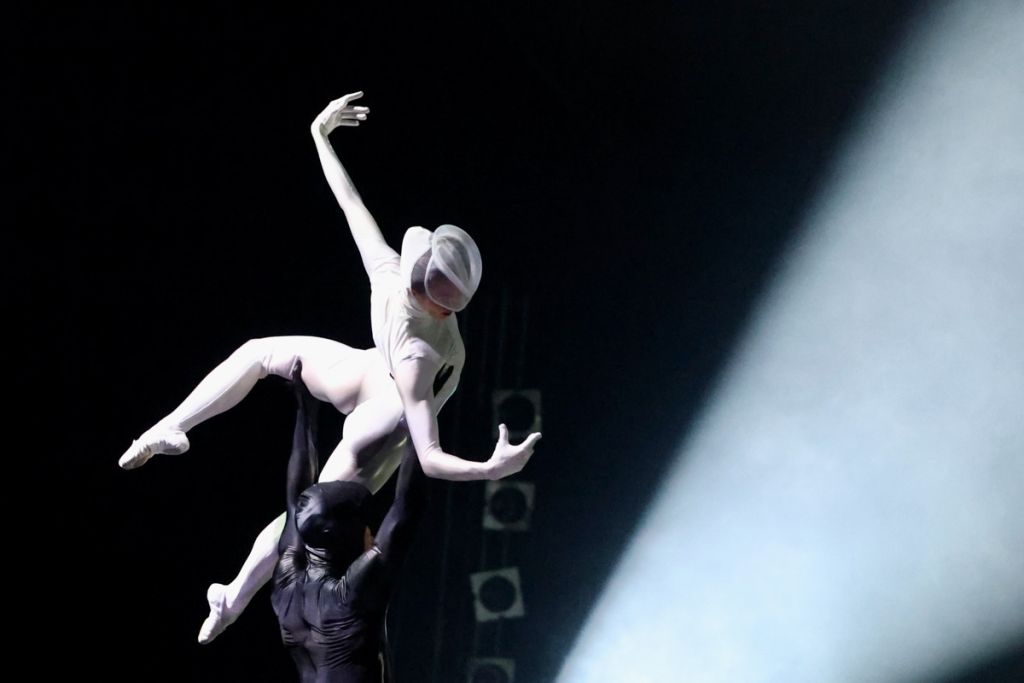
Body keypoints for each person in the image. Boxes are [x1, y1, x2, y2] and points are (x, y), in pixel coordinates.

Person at [117, 91, 541, 643]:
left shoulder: (393, 288)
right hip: (382, 394)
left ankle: (222, 569)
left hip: (378, 391)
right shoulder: (415, 338)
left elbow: (351, 205)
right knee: (299, 493)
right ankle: (225, 576)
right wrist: (490, 468)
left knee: (265, 371)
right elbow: (430, 457)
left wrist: (320, 134)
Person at [274, 364, 424, 683]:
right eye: (365, 522)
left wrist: (305, 410)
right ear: (344, 535)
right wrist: (420, 410)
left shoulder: (288, 580)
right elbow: (405, 510)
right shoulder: (350, 593)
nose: (372, 530)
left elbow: (295, 499)